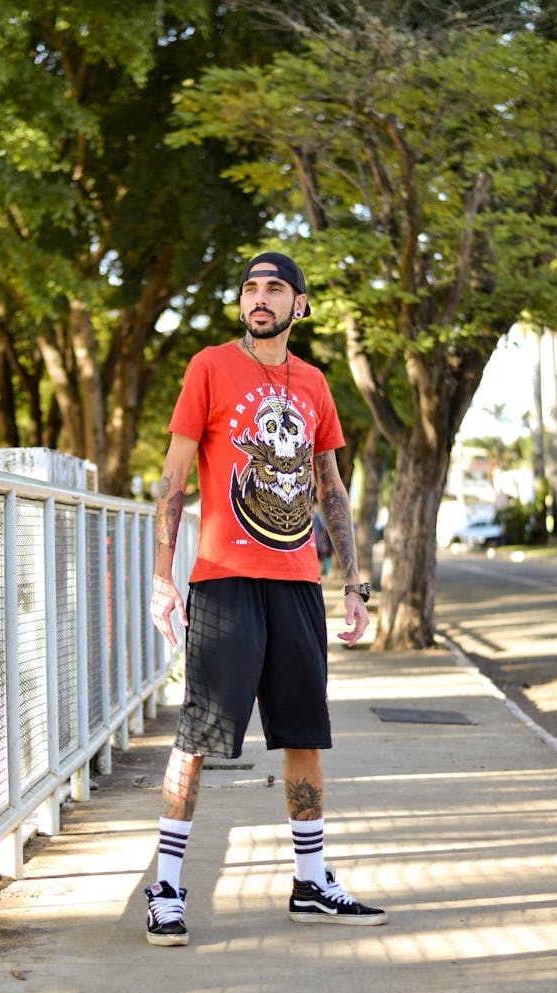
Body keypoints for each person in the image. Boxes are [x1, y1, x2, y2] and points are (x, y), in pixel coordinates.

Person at [146, 251, 386, 946]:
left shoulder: (313, 384)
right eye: (251, 286)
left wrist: (353, 580)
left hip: (297, 586)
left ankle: (311, 882)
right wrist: (163, 576)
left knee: (305, 735)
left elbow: (330, 489)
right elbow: (173, 479)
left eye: (275, 287)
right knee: (197, 737)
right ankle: (165, 886)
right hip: (222, 579)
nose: (260, 296)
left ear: (298, 306)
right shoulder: (209, 367)